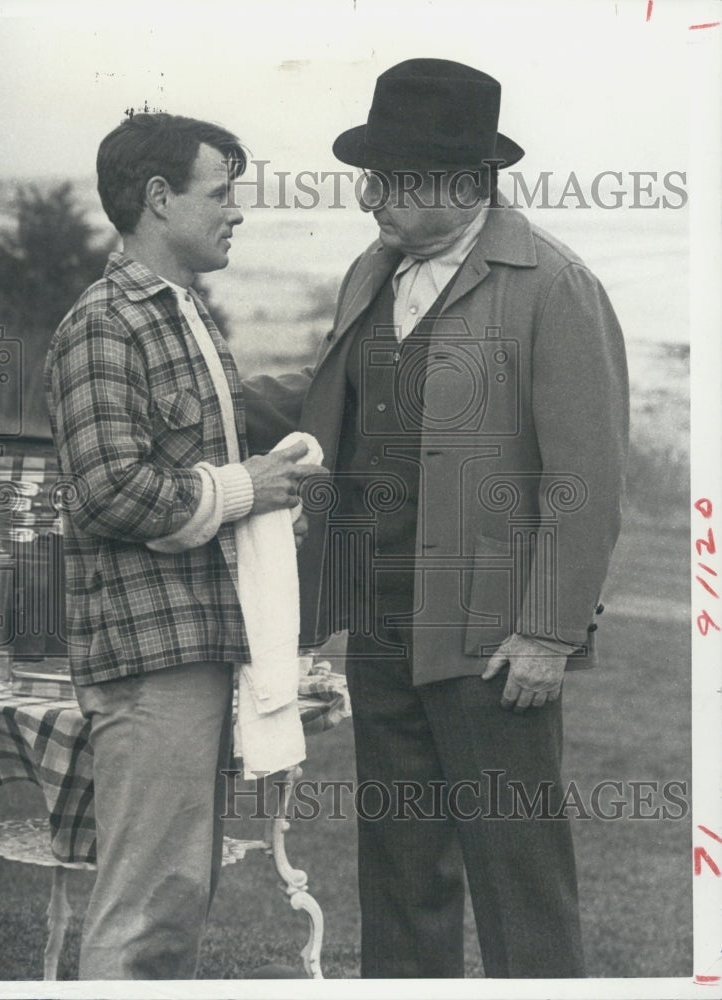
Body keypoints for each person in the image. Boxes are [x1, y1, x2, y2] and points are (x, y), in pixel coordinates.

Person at [244, 58, 629, 978]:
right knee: (400, 871)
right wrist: (207, 395)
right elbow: (341, 391)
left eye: (388, 178)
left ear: (459, 182)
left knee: (518, 879)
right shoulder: (372, 274)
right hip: (379, 626)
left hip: (493, 642)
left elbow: (590, 474)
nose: (369, 198)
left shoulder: (552, 286)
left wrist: (547, 631)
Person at [44, 113, 321, 979]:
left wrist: (267, 498)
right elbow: (107, 489)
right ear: (159, 200)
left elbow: (203, 453)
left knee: (174, 905)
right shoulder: (104, 324)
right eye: (222, 193)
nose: (238, 212)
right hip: (148, 660)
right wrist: (247, 491)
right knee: (143, 913)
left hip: (193, 650)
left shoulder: (181, 315)